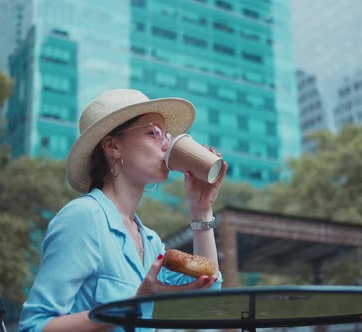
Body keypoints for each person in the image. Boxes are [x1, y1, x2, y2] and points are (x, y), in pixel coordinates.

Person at [19, 89, 227, 332]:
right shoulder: (84, 218)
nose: (167, 144)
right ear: (113, 146)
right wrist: (131, 306)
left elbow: (207, 291)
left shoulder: (150, 242)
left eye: (167, 135)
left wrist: (201, 210)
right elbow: (33, 326)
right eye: (154, 133)